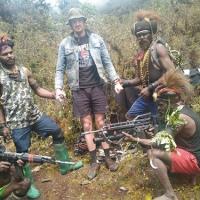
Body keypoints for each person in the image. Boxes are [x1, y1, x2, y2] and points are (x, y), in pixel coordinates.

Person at [0, 34, 83, 199]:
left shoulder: (24, 71)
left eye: (10, 52)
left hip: (34, 115)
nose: (9, 55)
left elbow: (37, 89)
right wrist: (3, 125)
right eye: (4, 54)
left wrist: (54, 95)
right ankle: (27, 182)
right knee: (22, 154)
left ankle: (64, 166)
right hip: (16, 122)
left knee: (56, 131)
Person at [55, 8, 123, 180]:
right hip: (79, 89)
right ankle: (94, 161)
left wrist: (115, 81)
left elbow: (107, 62)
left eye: (79, 20)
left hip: (97, 86)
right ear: (70, 25)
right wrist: (58, 88)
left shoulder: (96, 39)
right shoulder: (65, 44)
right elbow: (59, 68)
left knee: (101, 122)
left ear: (84, 22)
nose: (77, 23)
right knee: (87, 126)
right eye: (73, 21)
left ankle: (107, 157)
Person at [123, 70, 199, 200]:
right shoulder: (181, 111)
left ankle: (170, 194)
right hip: (193, 154)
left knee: (153, 153)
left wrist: (136, 139)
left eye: (163, 103)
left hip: (196, 161)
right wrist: (154, 133)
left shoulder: (179, 117)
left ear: (174, 99)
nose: (160, 107)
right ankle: (191, 176)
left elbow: (160, 141)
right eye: (160, 103)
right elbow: (171, 137)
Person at [122, 10, 176, 124]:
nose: (142, 37)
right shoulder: (140, 54)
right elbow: (139, 79)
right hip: (149, 95)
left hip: (163, 94)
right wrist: (123, 83)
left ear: (151, 33)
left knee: (161, 125)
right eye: (139, 35)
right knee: (131, 116)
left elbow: (172, 72)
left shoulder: (158, 48)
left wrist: (150, 87)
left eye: (145, 33)